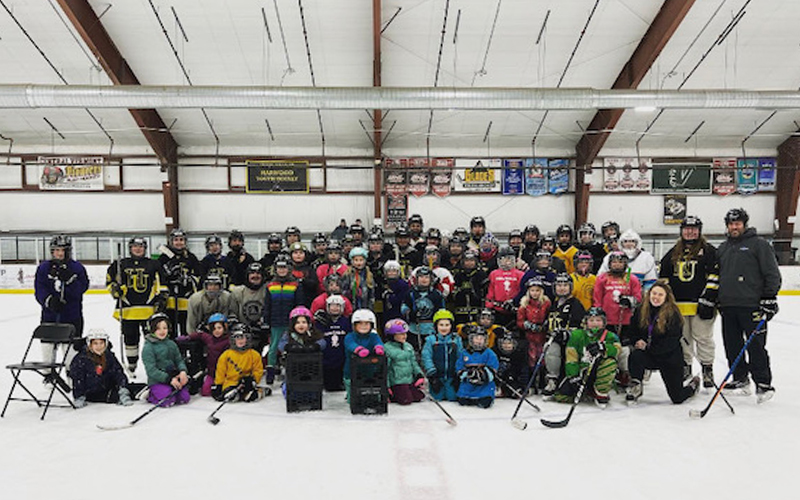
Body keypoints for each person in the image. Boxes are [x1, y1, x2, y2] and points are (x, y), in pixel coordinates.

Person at [712, 208, 781, 402]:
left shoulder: (758, 244)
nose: (734, 227)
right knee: (732, 345)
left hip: (752, 306)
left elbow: (772, 273)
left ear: (744, 224)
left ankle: (763, 382)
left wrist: (770, 297)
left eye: (738, 223)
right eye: (731, 224)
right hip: (728, 305)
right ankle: (740, 378)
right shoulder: (723, 248)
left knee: (756, 345)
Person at [658, 216, 718, 386]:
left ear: (699, 231)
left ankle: (707, 369)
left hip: (702, 305)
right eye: (686, 229)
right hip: (679, 307)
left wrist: (710, 298)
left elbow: (716, 275)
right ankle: (686, 367)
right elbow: (664, 277)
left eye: (693, 229)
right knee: (683, 339)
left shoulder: (709, 251)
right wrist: (667, 301)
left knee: (703, 337)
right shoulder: (673, 252)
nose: (690, 232)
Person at [626, 281, 701, 404]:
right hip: (649, 355)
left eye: (660, 295)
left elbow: (671, 341)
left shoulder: (673, 314)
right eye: (654, 293)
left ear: (666, 297)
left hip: (669, 358)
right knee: (635, 356)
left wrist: (649, 347)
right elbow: (632, 331)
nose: (656, 297)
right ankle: (636, 387)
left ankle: (693, 385)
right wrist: (636, 341)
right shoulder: (641, 310)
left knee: (677, 398)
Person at [106, 236, 168, 374]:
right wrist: (115, 289)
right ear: (130, 248)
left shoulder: (154, 264)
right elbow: (110, 281)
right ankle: (132, 365)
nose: (138, 249)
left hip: (149, 310)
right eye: (135, 246)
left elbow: (162, 282)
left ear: (145, 248)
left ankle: (153, 366)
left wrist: (162, 297)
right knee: (130, 339)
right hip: (128, 309)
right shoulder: (120, 264)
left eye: (141, 246)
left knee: (152, 339)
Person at [35, 234, 89, 373]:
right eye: (56, 250)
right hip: (49, 317)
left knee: (70, 351)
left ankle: (72, 375)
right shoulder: (43, 268)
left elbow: (82, 289)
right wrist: (49, 300)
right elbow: (39, 289)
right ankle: (48, 375)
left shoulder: (77, 268)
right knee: (47, 349)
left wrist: (71, 281)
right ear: (52, 251)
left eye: (63, 250)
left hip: (72, 317)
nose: (59, 253)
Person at [593, 250, 642, 387]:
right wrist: (599, 317)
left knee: (624, 349)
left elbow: (638, 297)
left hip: (625, 321)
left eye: (620, 262)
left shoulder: (631, 279)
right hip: (607, 321)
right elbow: (597, 299)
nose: (617, 265)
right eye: (614, 262)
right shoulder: (602, 278)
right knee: (607, 348)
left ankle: (625, 372)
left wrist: (629, 300)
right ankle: (607, 372)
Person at [554, 307, 621, 408]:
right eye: (591, 320)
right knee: (561, 395)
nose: (595, 323)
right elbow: (571, 358)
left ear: (604, 322)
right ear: (586, 322)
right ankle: (588, 391)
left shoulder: (610, 336)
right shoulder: (577, 335)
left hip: (598, 370)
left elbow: (617, 350)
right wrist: (573, 376)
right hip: (582, 372)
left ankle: (600, 393)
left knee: (610, 362)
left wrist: (604, 347)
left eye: (598, 320)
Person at [263, 255, 305, 384]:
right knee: (273, 348)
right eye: (279, 268)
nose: (282, 270)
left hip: (291, 323)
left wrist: (298, 320)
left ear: (289, 269)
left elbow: (299, 303)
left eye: (284, 268)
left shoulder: (295, 285)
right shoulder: (270, 285)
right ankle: (270, 371)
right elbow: (267, 305)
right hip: (276, 322)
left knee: (293, 346)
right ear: (275, 269)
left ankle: (294, 369)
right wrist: (266, 321)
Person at [69, 329, 133, 408]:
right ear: (90, 344)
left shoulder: (109, 356)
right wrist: (79, 396)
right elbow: (78, 379)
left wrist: (122, 388)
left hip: (108, 386)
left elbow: (118, 372)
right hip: (91, 393)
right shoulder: (81, 359)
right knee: (116, 395)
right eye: (95, 343)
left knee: (134, 388)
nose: (99, 346)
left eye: (101, 343)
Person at [176, 313, 231, 397]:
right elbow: (200, 334)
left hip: (225, 373)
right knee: (205, 392)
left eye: (219, 328)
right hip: (211, 373)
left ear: (225, 327)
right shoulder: (210, 338)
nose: (216, 331)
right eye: (213, 328)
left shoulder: (228, 341)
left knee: (223, 390)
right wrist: (188, 337)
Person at [158, 228, 201, 337]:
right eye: (176, 240)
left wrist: (187, 278)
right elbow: (158, 276)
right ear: (171, 241)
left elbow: (199, 276)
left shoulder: (191, 258)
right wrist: (168, 274)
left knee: (186, 330)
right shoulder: (163, 258)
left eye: (181, 239)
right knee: (170, 330)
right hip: (170, 301)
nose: (179, 242)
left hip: (186, 300)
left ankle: (185, 351)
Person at [141, 313, 190, 406]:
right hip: (158, 380)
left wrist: (183, 371)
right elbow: (151, 370)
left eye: (165, 328)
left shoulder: (171, 344)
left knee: (184, 398)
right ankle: (151, 394)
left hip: (173, 377)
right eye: (158, 328)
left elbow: (179, 360)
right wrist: (168, 379)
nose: (162, 331)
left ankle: (169, 389)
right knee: (168, 400)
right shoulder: (148, 347)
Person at [213, 324, 266, 402]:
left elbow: (258, 370)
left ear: (247, 339)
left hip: (246, 383)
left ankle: (260, 391)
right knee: (230, 397)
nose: (240, 340)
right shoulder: (226, 354)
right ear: (233, 339)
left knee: (250, 397)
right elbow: (220, 371)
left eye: (242, 337)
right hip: (230, 383)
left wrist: (253, 379)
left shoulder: (254, 354)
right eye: (237, 338)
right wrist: (219, 385)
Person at [421, 309, 463, 402]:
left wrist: (458, 372)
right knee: (437, 398)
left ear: (451, 326)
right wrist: (432, 374)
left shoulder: (456, 340)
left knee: (452, 397)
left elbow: (460, 356)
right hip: (437, 376)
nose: (444, 328)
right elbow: (426, 356)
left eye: (447, 325)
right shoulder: (431, 340)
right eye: (441, 325)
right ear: (436, 326)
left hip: (451, 375)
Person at [343, 309, 385, 400]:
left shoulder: (373, 336)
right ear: (354, 325)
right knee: (354, 397)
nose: (363, 326)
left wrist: (378, 347)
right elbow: (350, 344)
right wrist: (358, 350)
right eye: (360, 323)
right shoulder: (350, 336)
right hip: (351, 372)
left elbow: (378, 342)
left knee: (370, 396)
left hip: (369, 371)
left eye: (366, 323)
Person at [230, 262, 270, 355]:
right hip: (243, 335)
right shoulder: (238, 292)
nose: (255, 275)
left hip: (264, 334)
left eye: (258, 273)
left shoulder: (268, 290)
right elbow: (232, 313)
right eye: (252, 273)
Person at [401, 266, 445, 351]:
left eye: (426, 277)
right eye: (421, 277)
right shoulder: (411, 293)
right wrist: (409, 313)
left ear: (431, 279)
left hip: (431, 329)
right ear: (416, 279)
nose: (423, 279)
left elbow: (442, 310)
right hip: (414, 328)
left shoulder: (436, 294)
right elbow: (404, 307)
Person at [383, 318, 426, 405]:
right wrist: (386, 386)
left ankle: (405, 391)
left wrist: (419, 374)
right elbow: (385, 369)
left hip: (409, 380)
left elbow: (413, 362)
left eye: (405, 333)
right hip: (396, 382)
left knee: (419, 397)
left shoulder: (408, 346)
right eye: (401, 334)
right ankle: (392, 395)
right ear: (392, 335)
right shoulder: (387, 348)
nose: (404, 336)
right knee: (406, 400)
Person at [314, 295, 352, 391]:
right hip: (327, 358)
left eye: (338, 306)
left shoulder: (346, 321)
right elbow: (316, 335)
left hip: (341, 356)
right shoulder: (323, 321)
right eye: (332, 305)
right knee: (329, 385)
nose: (335, 308)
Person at [456, 326, 499, 408]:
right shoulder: (464, 353)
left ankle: (484, 397)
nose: (479, 341)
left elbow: (493, 367)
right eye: (476, 338)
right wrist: (466, 374)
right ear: (471, 339)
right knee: (462, 401)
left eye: (481, 338)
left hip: (484, 385)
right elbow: (459, 366)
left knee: (485, 401)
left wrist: (483, 375)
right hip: (468, 384)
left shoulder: (489, 353)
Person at [517, 278, 551, 373]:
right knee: (532, 357)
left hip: (543, 335)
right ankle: (532, 377)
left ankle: (542, 378)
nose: (535, 293)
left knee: (543, 356)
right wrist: (527, 325)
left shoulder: (546, 303)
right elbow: (520, 321)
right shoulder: (524, 304)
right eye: (532, 290)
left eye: (537, 290)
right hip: (530, 336)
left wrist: (547, 324)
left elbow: (550, 315)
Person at [485, 245, 524, 328]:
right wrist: (489, 306)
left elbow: (522, 291)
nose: (506, 262)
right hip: (498, 309)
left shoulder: (519, 274)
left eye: (509, 259)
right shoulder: (494, 273)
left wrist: (516, 303)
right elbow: (491, 291)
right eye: (503, 259)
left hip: (514, 309)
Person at [449, 249, 488, 325]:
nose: (469, 263)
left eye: (472, 261)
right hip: (460, 310)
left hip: (477, 309)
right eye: (467, 261)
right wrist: (460, 292)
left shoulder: (481, 274)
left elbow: (485, 292)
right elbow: (453, 292)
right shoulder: (458, 275)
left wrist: (474, 293)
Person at [493, 329, 529, 398]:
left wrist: (523, 385)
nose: (506, 346)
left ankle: (513, 391)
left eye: (509, 343)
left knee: (515, 387)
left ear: (514, 344)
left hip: (513, 379)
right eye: (504, 343)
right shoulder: (496, 353)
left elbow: (524, 371)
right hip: (498, 379)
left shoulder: (518, 355)